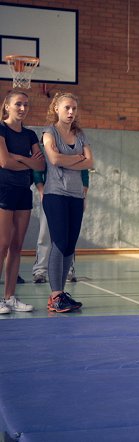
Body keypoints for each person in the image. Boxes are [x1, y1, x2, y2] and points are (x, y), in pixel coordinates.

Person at [42, 92, 94, 313]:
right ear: (56, 109)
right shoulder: (49, 132)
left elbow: (90, 162)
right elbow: (53, 159)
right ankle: (54, 296)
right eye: (67, 108)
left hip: (75, 196)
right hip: (55, 195)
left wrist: (69, 161)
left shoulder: (80, 134)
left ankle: (61, 293)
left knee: (69, 247)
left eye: (74, 108)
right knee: (59, 242)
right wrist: (77, 159)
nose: (71, 112)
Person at [0, 90, 45, 314]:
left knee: (17, 246)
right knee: (2, 244)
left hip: (23, 192)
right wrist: (27, 161)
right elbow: (5, 162)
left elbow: (41, 165)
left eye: (26, 105)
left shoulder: (30, 135)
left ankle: (9, 297)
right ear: (7, 106)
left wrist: (20, 158)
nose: (22, 108)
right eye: (18, 104)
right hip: (4, 190)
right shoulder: (1, 129)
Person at [32, 159, 88, 284]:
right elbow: (36, 172)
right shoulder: (46, 146)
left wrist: (83, 194)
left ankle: (68, 269)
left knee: (69, 237)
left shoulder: (76, 146)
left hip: (72, 198)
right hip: (52, 196)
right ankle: (40, 271)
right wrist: (42, 191)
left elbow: (84, 171)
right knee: (44, 235)